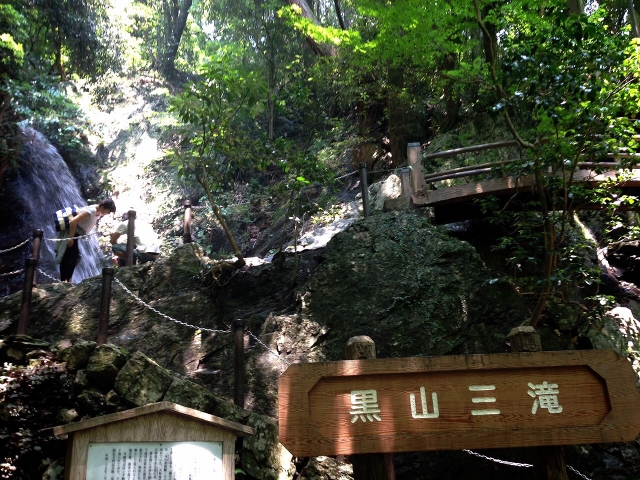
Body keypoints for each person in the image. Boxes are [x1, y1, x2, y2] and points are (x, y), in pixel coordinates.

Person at [55, 198, 117, 282]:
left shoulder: (98, 212)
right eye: (108, 211)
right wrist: (71, 238)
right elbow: (73, 221)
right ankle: (66, 280)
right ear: (102, 207)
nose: (107, 213)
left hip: (76, 234)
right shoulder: (91, 211)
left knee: (71, 256)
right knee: (71, 257)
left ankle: (66, 280)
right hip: (72, 233)